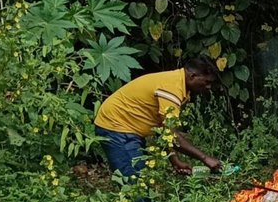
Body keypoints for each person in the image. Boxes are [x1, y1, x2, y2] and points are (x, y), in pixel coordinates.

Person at [94, 56, 223, 181]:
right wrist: (205, 158)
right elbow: (171, 135)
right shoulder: (172, 88)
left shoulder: (176, 83)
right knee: (134, 180)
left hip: (126, 128)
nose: (208, 87)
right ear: (192, 76)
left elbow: (163, 129)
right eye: (206, 82)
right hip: (116, 127)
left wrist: (174, 159)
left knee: (139, 178)